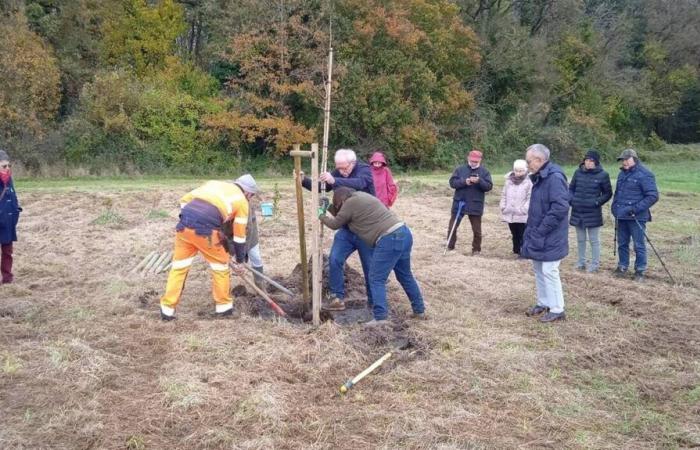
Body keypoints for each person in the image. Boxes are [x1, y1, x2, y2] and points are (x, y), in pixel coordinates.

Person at [319, 187, 425, 326]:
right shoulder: (361, 197)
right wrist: (330, 208)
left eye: (338, 205)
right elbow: (345, 216)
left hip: (389, 239)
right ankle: (419, 310)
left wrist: (320, 214)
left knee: (376, 278)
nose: (339, 208)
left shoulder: (350, 203)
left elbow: (335, 224)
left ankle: (381, 317)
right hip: (403, 233)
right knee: (405, 275)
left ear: (342, 200)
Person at [159, 175, 258, 320]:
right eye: (252, 196)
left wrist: (190, 220)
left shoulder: (213, 184)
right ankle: (224, 308)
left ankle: (167, 309)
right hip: (206, 231)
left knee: (179, 268)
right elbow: (239, 236)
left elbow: (185, 200)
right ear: (248, 193)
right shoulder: (242, 202)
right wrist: (240, 261)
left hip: (184, 225)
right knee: (220, 267)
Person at [301, 149, 375, 311]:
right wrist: (303, 180)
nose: (341, 172)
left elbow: (359, 184)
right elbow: (322, 186)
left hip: (366, 231)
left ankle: (374, 300)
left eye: (344, 168)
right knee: (334, 259)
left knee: (370, 266)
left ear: (353, 163)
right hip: (347, 229)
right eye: (338, 168)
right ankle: (337, 298)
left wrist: (335, 180)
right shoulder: (339, 173)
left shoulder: (364, 171)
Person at [521, 144, 569, 323]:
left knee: (550, 270)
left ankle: (558, 309)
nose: (527, 165)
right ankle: (544, 303)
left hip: (551, 235)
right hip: (539, 234)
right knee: (539, 269)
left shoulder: (554, 178)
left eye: (529, 161)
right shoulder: (540, 177)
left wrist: (541, 230)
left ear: (540, 160)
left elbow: (560, 208)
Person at [611, 149, 659, 281]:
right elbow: (617, 193)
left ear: (634, 159)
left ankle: (640, 270)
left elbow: (653, 196)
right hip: (621, 215)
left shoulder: (645, 174)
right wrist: (614, 207)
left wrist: (635, 209)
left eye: (627, 159)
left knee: (639, 244)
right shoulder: (622, 174)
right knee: (622, 243)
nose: (624, 162)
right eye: (622, 159)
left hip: (636, 217)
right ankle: (622, 266)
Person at [569, 150, 612, 273]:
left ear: (596, 162)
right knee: (580, 239)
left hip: (593, 212)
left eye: (591, 161)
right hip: (578, 211)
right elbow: (571, 188)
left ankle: (595, 263)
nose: (588, 163)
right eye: (587, 160)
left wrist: (596, 202)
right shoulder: (578, 173)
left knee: (594, 240)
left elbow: (608, 193)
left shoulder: (603, 175)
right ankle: (581, 262)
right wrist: (571, 200)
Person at [447, 150, 493, 255]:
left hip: (475, 204)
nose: (473, 163)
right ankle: (450, 246)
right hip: (459, 203)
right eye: (472, 160)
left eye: (476, 161)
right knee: (452, 226)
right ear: (468, 158)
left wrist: (479, 181)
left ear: (480, 160)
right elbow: (452, 183)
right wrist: (464, 182)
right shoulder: (459, 170)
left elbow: (489, 187)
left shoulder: (485, 172)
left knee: (477, 230)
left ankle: (476, 249)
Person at [499, 159, 532, 256]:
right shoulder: (508, 181)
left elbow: (530, 197)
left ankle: (523, 251)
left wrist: (524, 209)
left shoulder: (529, 182)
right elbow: (504, 194)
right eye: (516, 170)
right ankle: (516, 249)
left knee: (522, 233)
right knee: (514, 232)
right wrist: (503, 206)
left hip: (522, 213)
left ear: (526, 170)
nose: (518, 173)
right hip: (509, 211)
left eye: (521, 170)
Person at [0, 149, 21, 284]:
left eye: (9, 166)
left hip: (8, 222)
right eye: (4, 166)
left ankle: (7, 278)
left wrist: (16, 210)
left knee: (7, 252)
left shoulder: (9, 179)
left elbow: (13, 196)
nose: (7, 169)